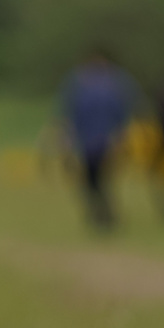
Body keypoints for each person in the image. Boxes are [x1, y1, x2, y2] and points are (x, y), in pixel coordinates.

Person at [60, 49, 137, 230]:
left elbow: (122, 115)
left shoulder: (112, 84)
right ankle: (101, 213)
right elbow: (68, 115)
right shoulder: (80, 84)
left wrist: (121, 138)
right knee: (93, 180)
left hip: (101, 143)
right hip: (89, 142)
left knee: (100, 180)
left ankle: (103, 214)